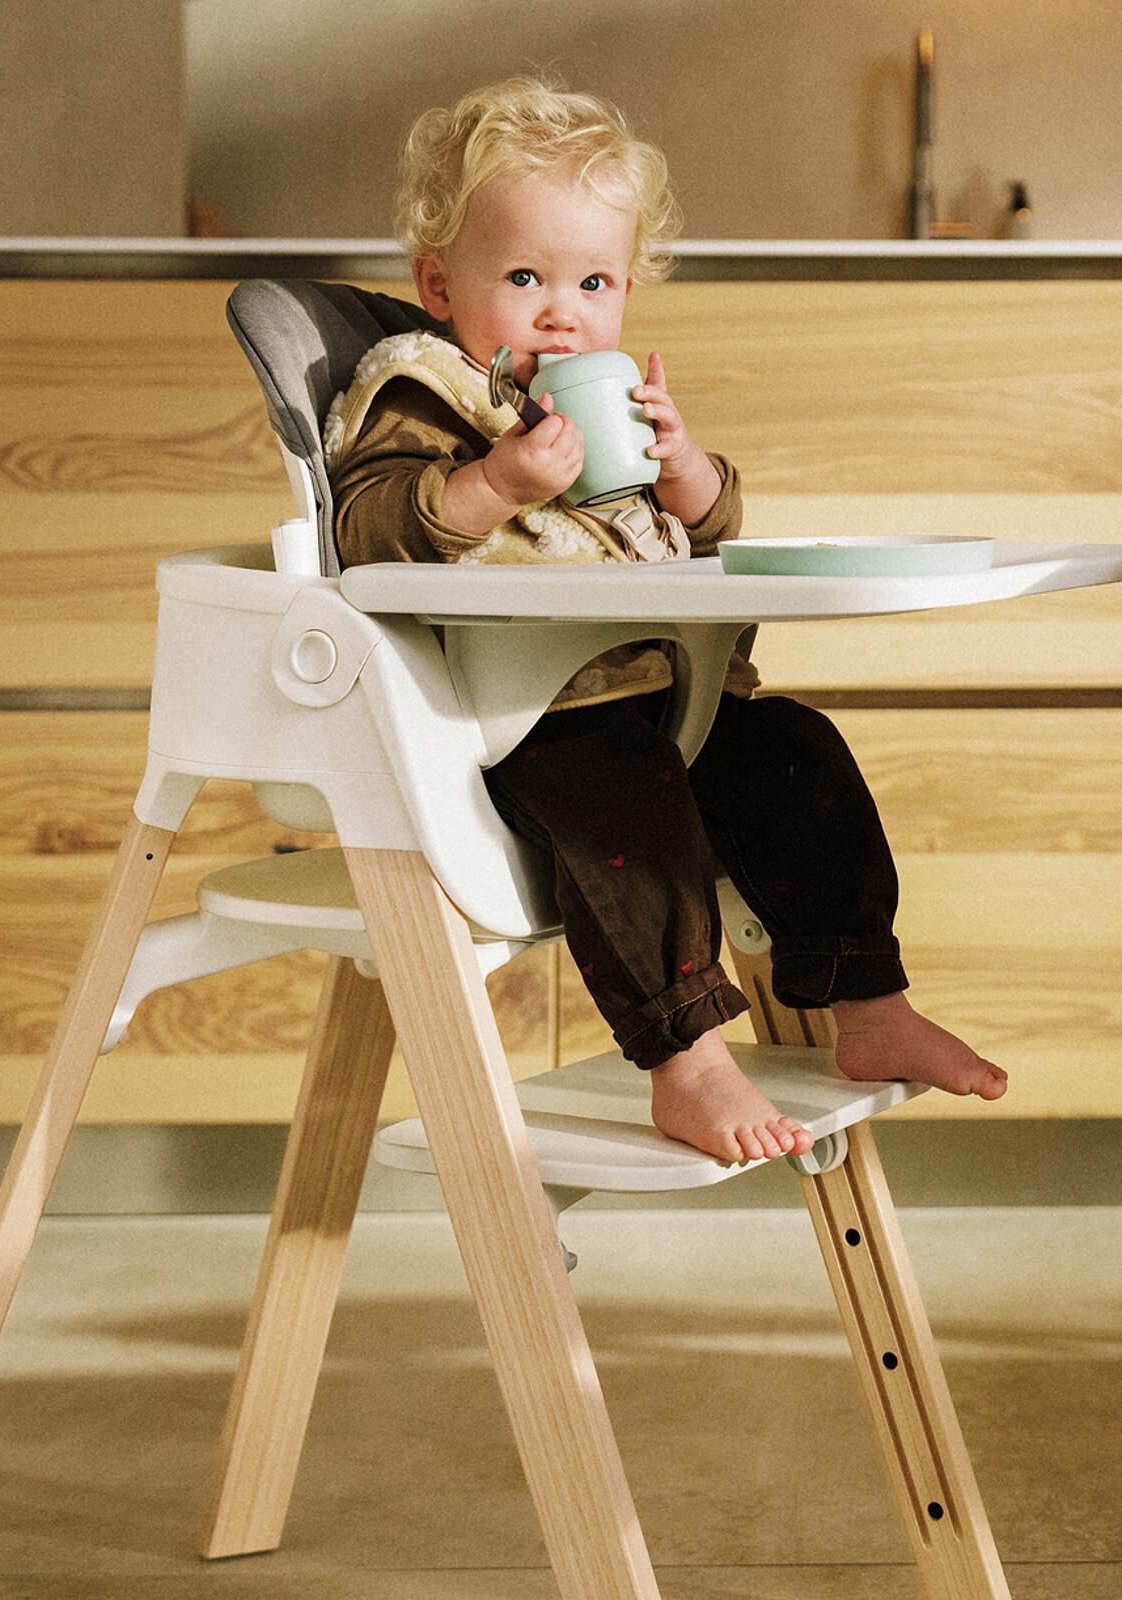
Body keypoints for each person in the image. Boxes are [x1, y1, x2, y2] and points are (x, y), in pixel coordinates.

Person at [327, 77, 1007, 1165]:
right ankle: (685, 1061)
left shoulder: (599, 404)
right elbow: (365, 529)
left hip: (668, 700)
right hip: (523, 721)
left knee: (795, 749)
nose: (562, 311)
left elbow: (707, 532)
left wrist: (681, 467)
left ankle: (869, 1002)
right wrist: (494, 485)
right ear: (438, 284)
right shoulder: (429, 392)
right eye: (523, 277)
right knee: (628, 804)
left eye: (593, 281)